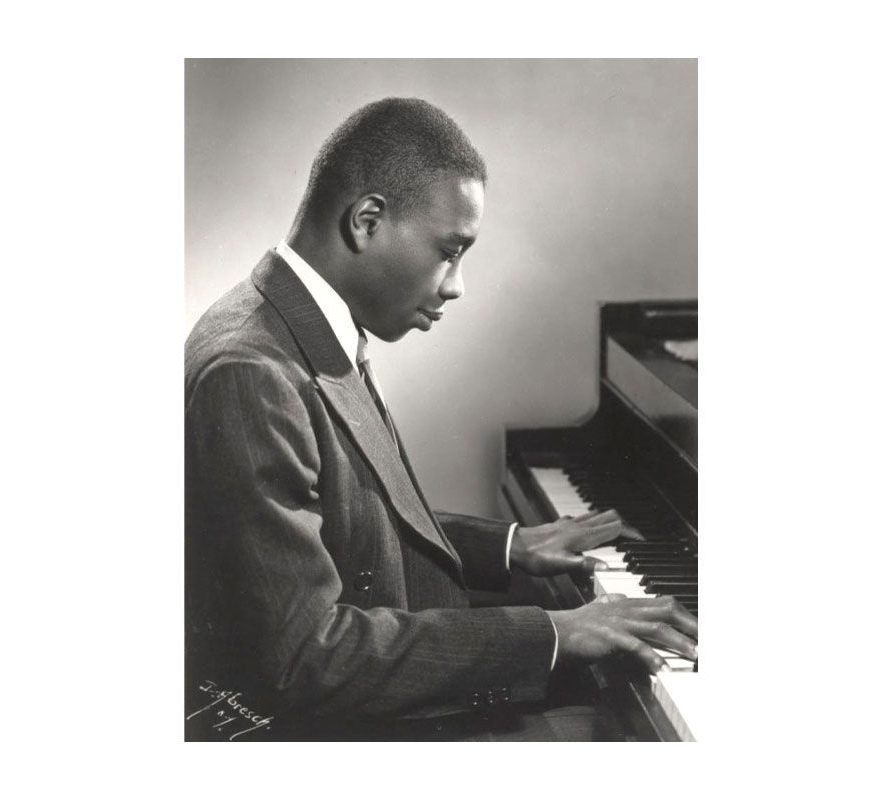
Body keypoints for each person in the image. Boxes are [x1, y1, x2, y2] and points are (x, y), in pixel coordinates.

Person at [184, 97, 698, 741]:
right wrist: (555, 632)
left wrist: (511, 547)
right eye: (449, 251)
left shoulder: (297, 325)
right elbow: (307, 657)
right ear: (367, 221)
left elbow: (349, 520)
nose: (455, 285)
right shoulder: (252, 371)